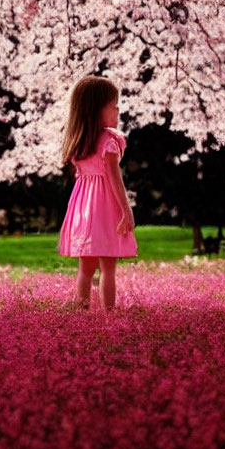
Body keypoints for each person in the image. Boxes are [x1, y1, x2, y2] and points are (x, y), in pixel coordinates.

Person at [59, 76, 137, 310]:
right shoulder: (108, 142)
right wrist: (126, 210)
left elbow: (82, 180)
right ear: (97, 109)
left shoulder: (80, 143)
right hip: (104, 209)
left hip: (83, 211)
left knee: (85, 270)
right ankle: (109, 315)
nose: (118, 110)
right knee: (108, 269)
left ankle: (82, 314)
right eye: (113, 106)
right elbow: (114, 179)